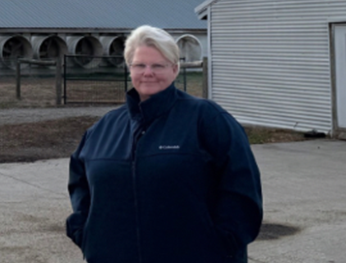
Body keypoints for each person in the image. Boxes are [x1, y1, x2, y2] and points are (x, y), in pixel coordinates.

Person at [66, 25, 262, 263]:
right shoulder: (104, 128)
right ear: (130, 69)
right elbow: (80, 183)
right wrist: (85, 233)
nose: (148, 72)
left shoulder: (207, 120)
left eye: (157, 65)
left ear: (175, 69)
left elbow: (242, 190)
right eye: (140, 65)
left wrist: (220, 246)